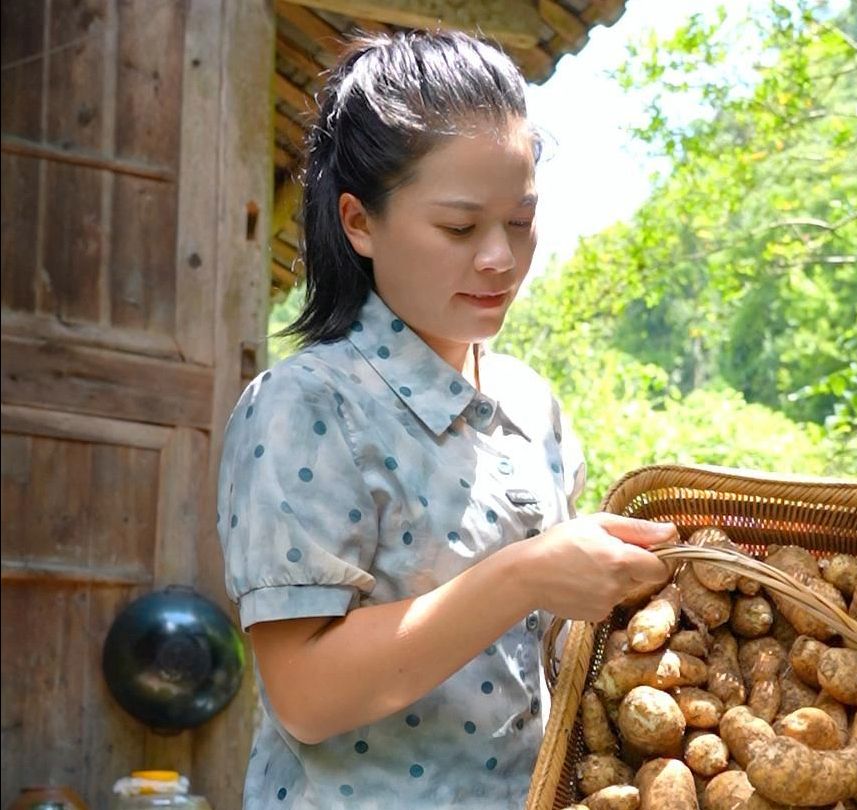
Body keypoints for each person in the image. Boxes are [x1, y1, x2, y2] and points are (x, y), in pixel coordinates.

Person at [216, 29, 674, 810]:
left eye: (521, 222)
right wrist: (523, 575)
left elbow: (549, 661)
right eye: (460, 228)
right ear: (359, 223)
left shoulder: (534, 410)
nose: (499, 257)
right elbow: (305, 695)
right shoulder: (305, 407)